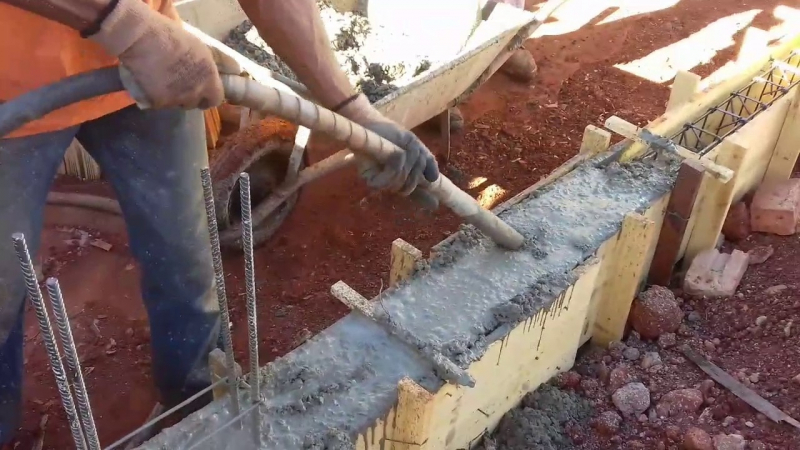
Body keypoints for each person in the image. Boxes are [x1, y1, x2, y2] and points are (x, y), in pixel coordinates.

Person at [0, 0, 440, 445]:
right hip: (11, 84)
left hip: (157, 70)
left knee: (187, 258)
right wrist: (127, 25)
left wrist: (354, 111)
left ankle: (203, 415)